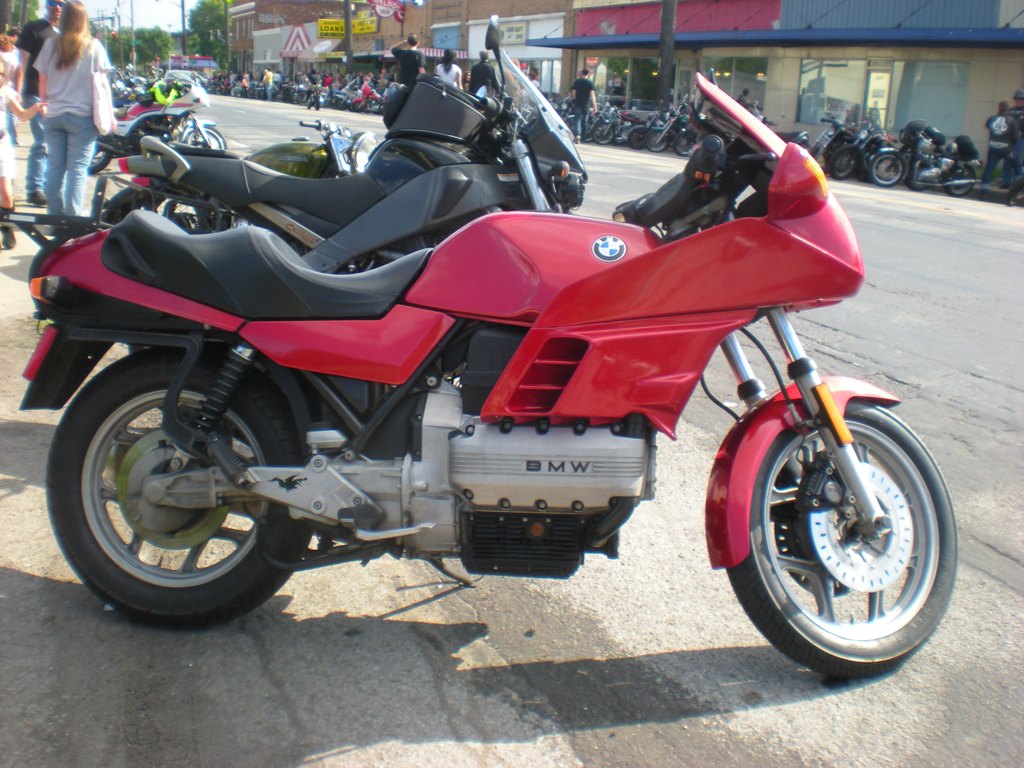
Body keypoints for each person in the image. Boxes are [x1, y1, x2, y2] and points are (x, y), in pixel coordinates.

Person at [34, 0, 111, 217]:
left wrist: (44, 104)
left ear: (64, 18)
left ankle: (54, 219)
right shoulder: (94, 46)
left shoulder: (50, 44)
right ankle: (73, 219)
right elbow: (103, 85)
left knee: (55, 168)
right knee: (77, 170)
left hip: (53, 114)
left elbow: (42, 79)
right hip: (82, 116)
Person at [16, 0, 61, 208]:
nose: (57, 7)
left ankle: (48, 186)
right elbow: (22, 63)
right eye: (53, 2)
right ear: (47, 5)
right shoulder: (33, 28)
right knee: (42, 140)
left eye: (62, 4)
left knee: (55, 143)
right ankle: (34, 189)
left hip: (58, 95)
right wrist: (17, 90)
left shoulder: (63, 34)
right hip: (35, 92)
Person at [0, 55, 46, 249]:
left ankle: (7, 226)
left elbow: (21, 115)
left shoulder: (5, 92)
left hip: (2, 144)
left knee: (6, 194)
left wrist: (35, 107)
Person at [980, 100, 1021, 199]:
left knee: (988, 170)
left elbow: (988, 126)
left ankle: (984, 192)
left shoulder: (992, 119)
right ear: (1008, 109)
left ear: (999, 108)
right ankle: (1018, 189)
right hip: (1007, 149)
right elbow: (1016, 137)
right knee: (1018, 167)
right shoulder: (1012, 121)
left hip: (993, 148)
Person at [0, 34, 20, 145]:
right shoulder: (12, 57)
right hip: (9, 87)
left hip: (2, 88)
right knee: (11, 114)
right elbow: (19, 73)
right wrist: (18, 90)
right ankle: (11, 137)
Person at [1002, 88, 1024, 188]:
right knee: (1007, 161)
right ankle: (1006, 182)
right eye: (1016, 98)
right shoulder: (1010, 110)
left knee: (1017, 161)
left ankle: (1017, 184)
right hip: (1008, 140)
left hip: (1020, 140)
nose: (1018, 100)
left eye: (1021, 98)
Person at [569, 68, 596, 144]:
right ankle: (583, 138)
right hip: (586, 104)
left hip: (577, 103)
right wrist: (595, 107)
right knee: (584, 122)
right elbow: (592, 95)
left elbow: (574, 92)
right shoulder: (590, 83)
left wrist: (574, 99)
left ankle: (577, 135)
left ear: (582, 73)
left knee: (577, 120)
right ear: (588, 74)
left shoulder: (577, 82)